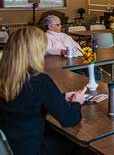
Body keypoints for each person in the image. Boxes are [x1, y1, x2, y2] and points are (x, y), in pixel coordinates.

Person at [0, 27, 86, 155]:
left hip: (10, 146)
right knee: (82, 147)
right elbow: (70, 119)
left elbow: (25, 100)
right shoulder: (39, 81)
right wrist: (77, 102)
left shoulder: (5, 77)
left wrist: (61, 97)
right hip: (33, 149)